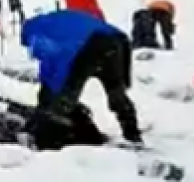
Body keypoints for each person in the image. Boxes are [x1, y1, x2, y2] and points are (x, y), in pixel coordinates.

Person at [21, 9, 142, 150]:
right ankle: (132, 133)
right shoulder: (58, 21)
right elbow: (51, 61)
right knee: (115, 92)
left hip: (90, 44)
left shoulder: (35, 31)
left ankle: (49, 139)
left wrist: (47, 96)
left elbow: (54, 60)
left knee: (66, 97)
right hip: (116, 41)